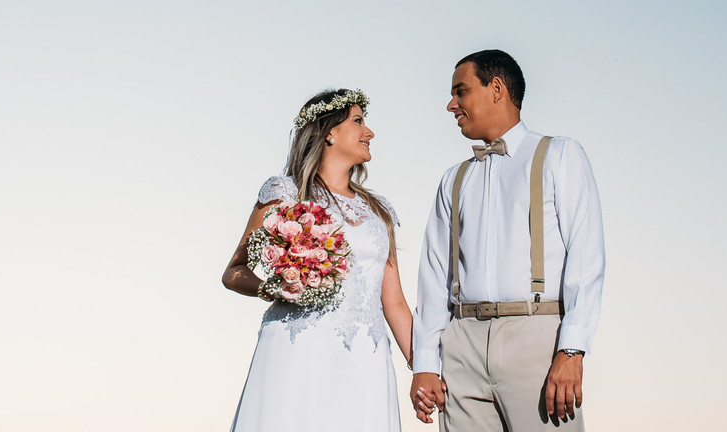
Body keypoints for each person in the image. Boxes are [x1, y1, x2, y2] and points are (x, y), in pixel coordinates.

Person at [410, 50, 605, 430]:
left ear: (496, 89)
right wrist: (425, 363)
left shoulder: (560, 155)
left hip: (537, 336)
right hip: (461, 341)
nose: (452, 105)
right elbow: (434, 275)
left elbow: (587, 256)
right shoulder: (454, 178)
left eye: (460, 91)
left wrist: (571, 349)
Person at [223, 88, 413, 431]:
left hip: (364, 356)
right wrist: (275, 288)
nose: (369, 132)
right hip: (296, 348)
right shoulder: (284, 193)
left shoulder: (378, 210)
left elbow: (395, 302)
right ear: (329, 131)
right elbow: (234, 272)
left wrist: (424, 364)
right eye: (358, 121)